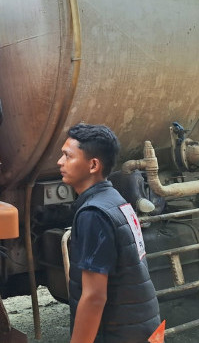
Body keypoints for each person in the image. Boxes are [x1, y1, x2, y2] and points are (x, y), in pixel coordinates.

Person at [59, 123, 160, 343]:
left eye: (67, 156)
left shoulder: (93, 213)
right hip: (140, 327)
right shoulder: (114, 199)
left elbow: (94, 296)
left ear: (93, 165)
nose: (60, 162)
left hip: (120, 334)